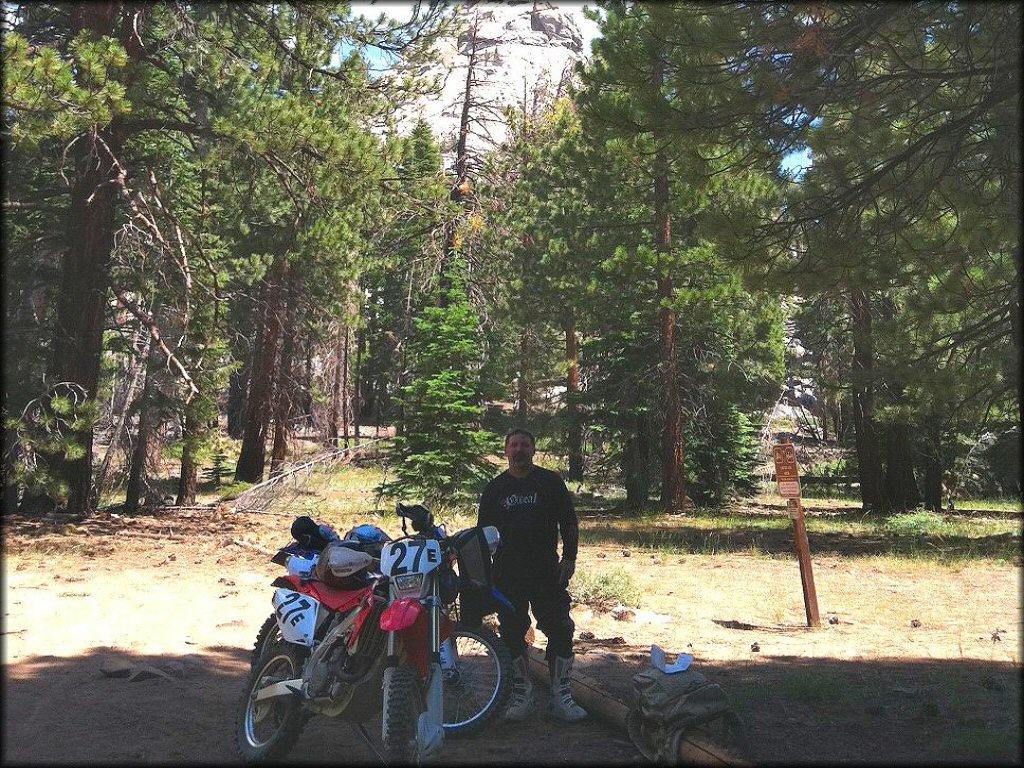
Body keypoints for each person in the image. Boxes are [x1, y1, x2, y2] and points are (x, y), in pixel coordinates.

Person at [476, 428, 587, 722]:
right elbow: (482, 535)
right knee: (512, 632)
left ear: (534, 450)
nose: (519, 450)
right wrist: (484, 573)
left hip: (546, 571)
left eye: (525, 444)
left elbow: (569, 523)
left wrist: (571, 557)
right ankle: (520, 694)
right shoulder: (495, 489)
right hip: (508, 574)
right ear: (506, 451)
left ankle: (560, 696)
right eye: (514, 445)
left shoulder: (549, 482)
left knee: (561, 628)